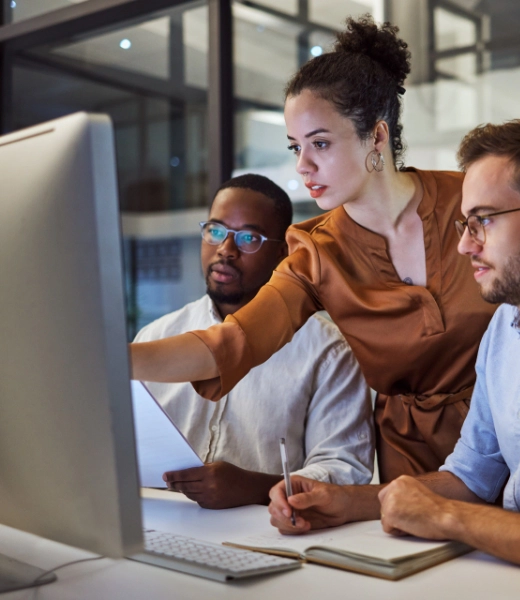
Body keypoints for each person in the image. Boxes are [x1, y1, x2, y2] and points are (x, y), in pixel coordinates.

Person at [130, 16, 495, 510]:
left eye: (320, 143)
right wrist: (113, 359)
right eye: (296, 147)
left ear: (377, 137)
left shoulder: (470, 201)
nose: (303, 166)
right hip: (407, 466)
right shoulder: (316, 249)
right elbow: (231, 342)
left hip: (508, 437)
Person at [331, 118, 520, 582]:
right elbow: (473, 475)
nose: (463, 245)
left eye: (484, 221)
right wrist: (343, 504)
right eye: (464, 223)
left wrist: (447, 519)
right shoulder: (504, 328)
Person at [134, 174, 374, 509]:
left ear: (282, 253)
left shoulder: (328, 351)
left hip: (268, 532)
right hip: (158, 521)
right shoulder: (157, 336)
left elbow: (346, 470)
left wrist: (255, 488)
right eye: (215, 231)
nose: (226, 250)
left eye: (249, 238)